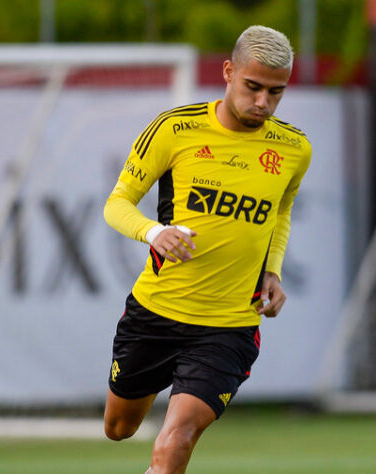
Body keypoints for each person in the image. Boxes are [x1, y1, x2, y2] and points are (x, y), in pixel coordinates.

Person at [101, 25, 311, 473]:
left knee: (178, 435)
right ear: (229, 71)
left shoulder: (294, 148)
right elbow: (117, 204)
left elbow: (279, 212)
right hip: (156, 311)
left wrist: (271, 271)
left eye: (276, 93)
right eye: (253, 87)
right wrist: (153, 232)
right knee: (119, 428)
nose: (262, 103)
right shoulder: (175, 129)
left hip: (229, 325)